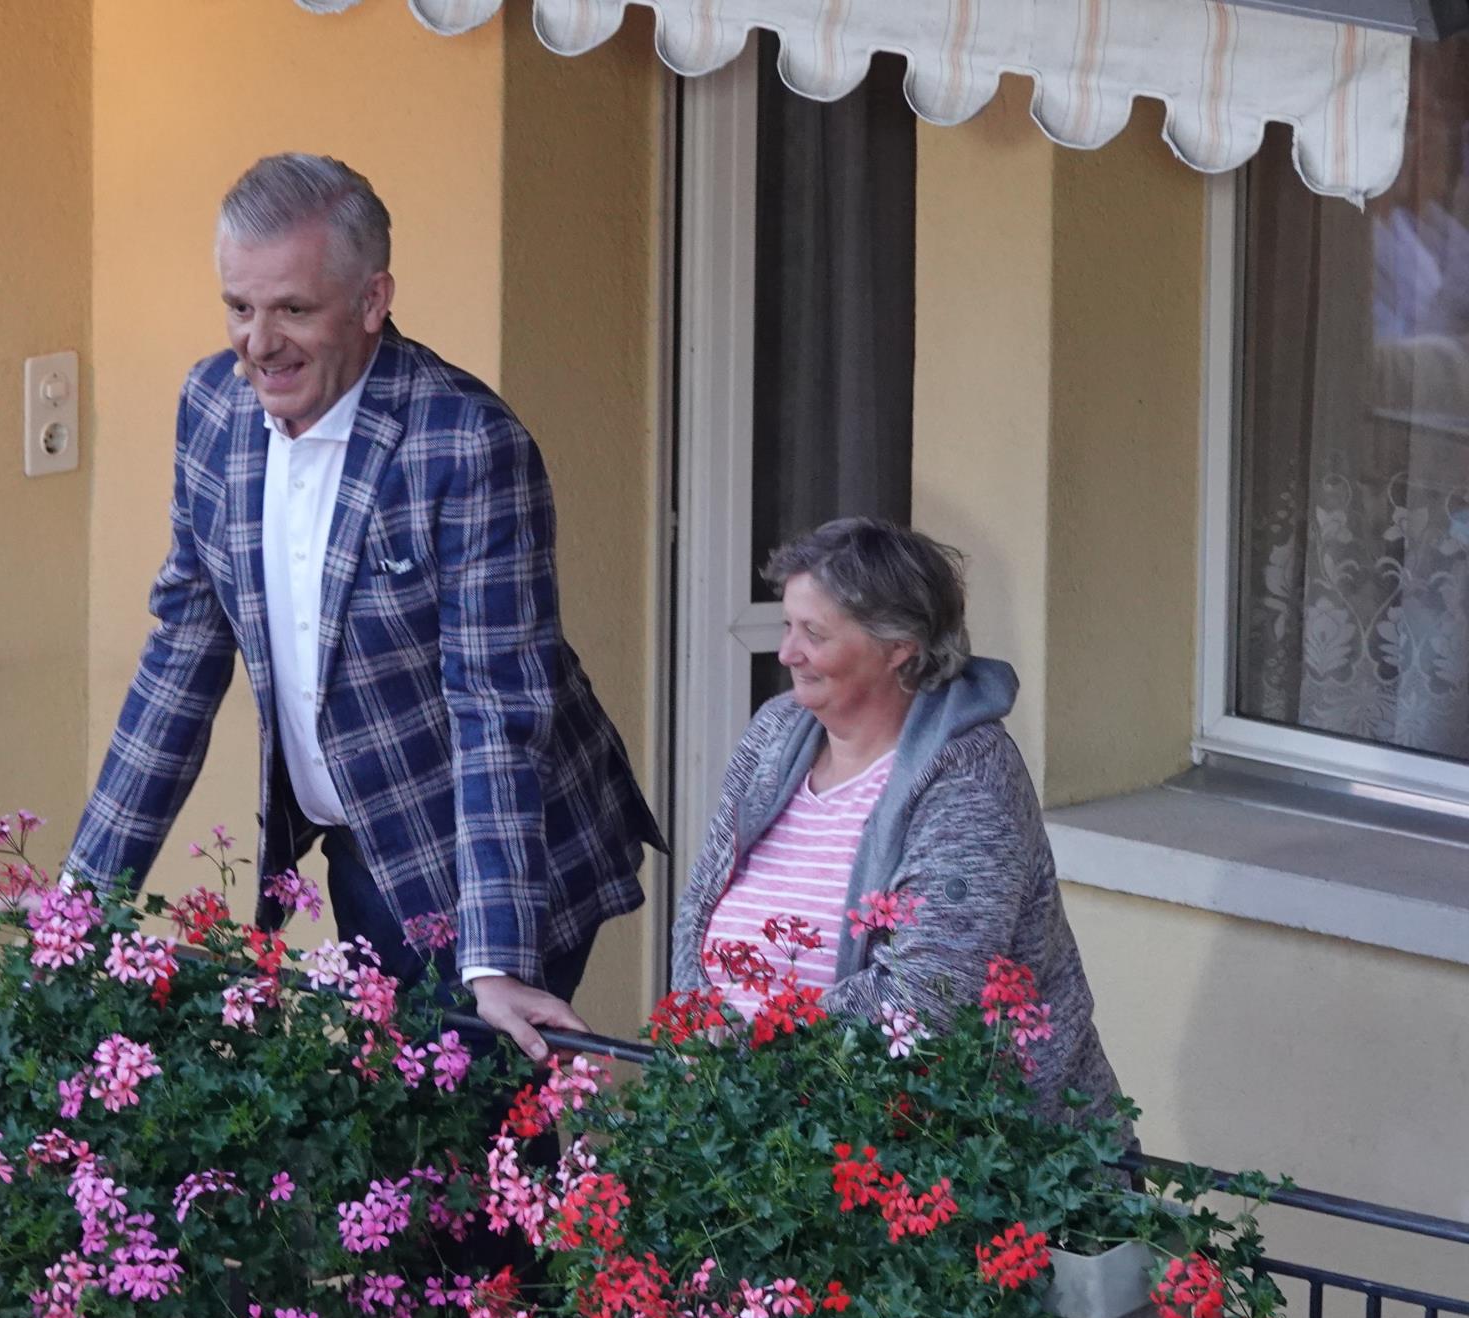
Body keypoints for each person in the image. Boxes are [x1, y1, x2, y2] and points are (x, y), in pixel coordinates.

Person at [68, 153, 663, 1060]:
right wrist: (83, 898)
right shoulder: (211, 410)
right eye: (239, 307)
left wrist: (495, 956)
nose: (257, 343)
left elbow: (496, 707)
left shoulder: (468, 444)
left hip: (493, 843)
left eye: (293, 310)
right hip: (362, 840)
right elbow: (182, 655)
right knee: (400, 1140)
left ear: (373, 300)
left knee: (465, 1134)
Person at [671, 517, 1121, 1120]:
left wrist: (750, 1062)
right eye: (786, 626)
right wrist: (699, 1033)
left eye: (814, 633)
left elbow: (928, 993)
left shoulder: (967, 773)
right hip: (761, 1125)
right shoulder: (776, 732)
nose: (787, 652)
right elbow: (701, 903)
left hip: (950, 1153)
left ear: (899, 647)